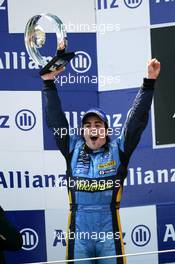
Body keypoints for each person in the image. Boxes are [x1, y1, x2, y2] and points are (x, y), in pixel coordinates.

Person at [41, 58, 160, 263]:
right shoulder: (72, 148)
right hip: (79, 235)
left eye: (98, 123)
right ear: (83, 132)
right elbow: (55, 120)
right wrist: (48, 84)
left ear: (106, 130)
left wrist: (148, 82)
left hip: (109, 234)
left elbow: (135, 121)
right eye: (88, 125)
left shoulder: (118, 150)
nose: (93, 128)